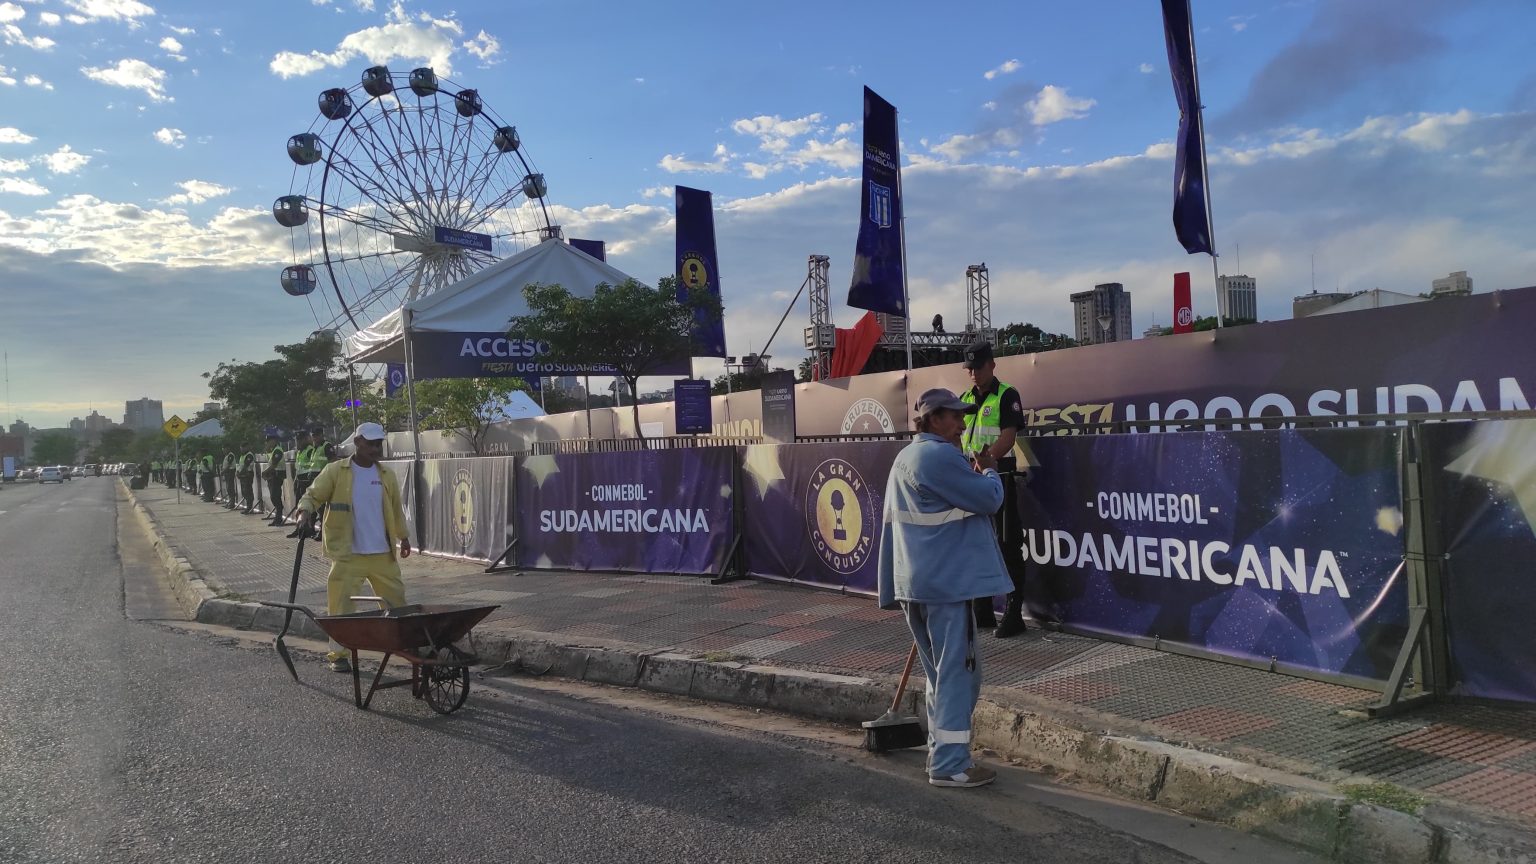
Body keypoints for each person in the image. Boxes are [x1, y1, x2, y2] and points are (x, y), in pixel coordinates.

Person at [877, 388, 1012, 789]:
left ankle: (943, 752)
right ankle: (951, 764)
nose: (961, 424)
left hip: (917, 582)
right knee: (959, 674)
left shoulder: (906, 457)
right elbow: (990, 499)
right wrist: (988, 468)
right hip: (944, 585)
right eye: (954, 416)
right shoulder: (938, 456)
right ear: (933, 418)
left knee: (941, 674)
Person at [293, 422, 412, 673]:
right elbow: (313, 495)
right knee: (341, 606)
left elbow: (396, 510)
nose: (375, 448)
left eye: (378, 444)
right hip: (348, 555)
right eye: (370, 444)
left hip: (382, 554)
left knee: (397, 603)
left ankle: (406, 645)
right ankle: (339, 654)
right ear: (357, 442)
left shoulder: (386, 475)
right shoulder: (336, 471)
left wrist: (404, 537)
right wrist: (303, 513)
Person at [960, 340, 1031, 638]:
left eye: (978, 367)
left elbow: (1009, 435)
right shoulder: (963, 398)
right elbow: (957, 435)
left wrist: (987, 461)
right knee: (976, 544)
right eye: (970, 369)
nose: (974, 373)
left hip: (998, 478)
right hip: (970, 481)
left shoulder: (1006, 394)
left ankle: (1014, 613)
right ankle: (983, 609)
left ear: (992, 364)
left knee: (1007, 545)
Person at [288, 425, 334, 540]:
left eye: (317, 436)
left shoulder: (326, 446)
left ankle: (322, 532)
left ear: (322, 435)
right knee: (304, 506)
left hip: (321, 481)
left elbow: (333, 462)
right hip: (308, 481)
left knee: (321, 509)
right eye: (313, 436)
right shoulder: (314, 448)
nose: (315, 438)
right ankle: (304, 528)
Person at [263, 430, 288, 526]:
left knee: (275, 496)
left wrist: (265, 472)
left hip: (277, 476)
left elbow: (274, 464)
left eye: (269, 440)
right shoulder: (272, 450)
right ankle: (278, 517)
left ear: (274, 441)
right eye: (267, 441)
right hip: (272, 476)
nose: (267, 442)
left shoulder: (278, 450)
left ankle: (279, 518)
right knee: (274, 497)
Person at [236, 445, 257, 514]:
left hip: (247, 475)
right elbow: (240, 465)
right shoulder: (242, 456)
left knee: (248, 491)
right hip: (243, 476)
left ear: (247, 447)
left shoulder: (249, 455)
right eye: (241, 449)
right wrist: (237, 472)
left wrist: (240, 473)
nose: (241, 450)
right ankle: (248, 507)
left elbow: (246, 466)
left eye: (243, 448)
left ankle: (249, 508)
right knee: (244, 492)